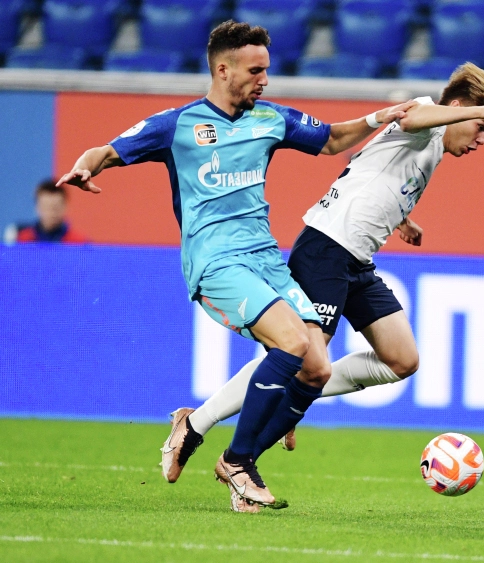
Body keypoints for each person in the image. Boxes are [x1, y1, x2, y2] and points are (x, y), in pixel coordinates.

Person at [56, 20, 414, 513]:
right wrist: (85, 165)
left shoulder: (270, 119)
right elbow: (108, 151)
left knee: (316, 367)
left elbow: (331, 139)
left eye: (266, 70)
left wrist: (379, 117)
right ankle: (239, 464)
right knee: (292, 343)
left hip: (265, 258)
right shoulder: (177, 125)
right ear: (223, 70)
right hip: (216, 262)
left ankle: (195, 427)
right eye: (254, 71)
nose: (264, 80)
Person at [160, 63, 484, 510]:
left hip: (356, 261)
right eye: (482, 126)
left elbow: (361, 165)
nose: (482, 138)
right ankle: (221, 445)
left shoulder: (431, 146)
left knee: (401, 359)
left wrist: (403, 218)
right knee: (303, 363)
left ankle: (275, 406)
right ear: (457, 107)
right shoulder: (426, 117)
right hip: (326, 251)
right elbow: (413, 116)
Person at [4, 179, 88, 244]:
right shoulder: (22, 240)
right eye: (46, 207)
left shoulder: (79, 243)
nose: (51, 212)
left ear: (65, 207)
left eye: (56, 207)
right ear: (37, 207)